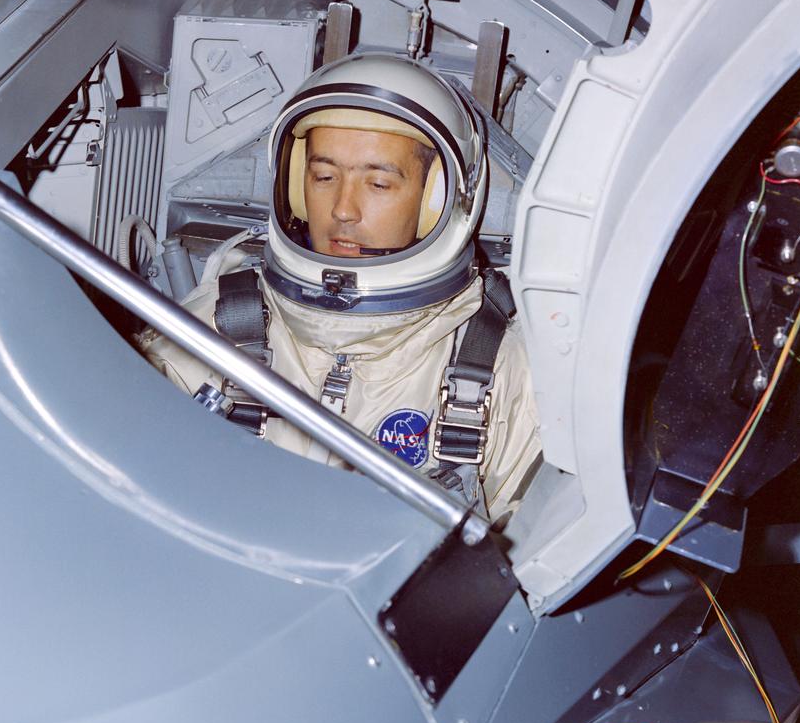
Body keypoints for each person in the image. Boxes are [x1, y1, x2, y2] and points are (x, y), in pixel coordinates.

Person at [140, 52, 541, 527]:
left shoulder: (502, 371)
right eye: (324, 177)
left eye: (378, 183)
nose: (343, 209)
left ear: (442, 200)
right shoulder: (213, 327)